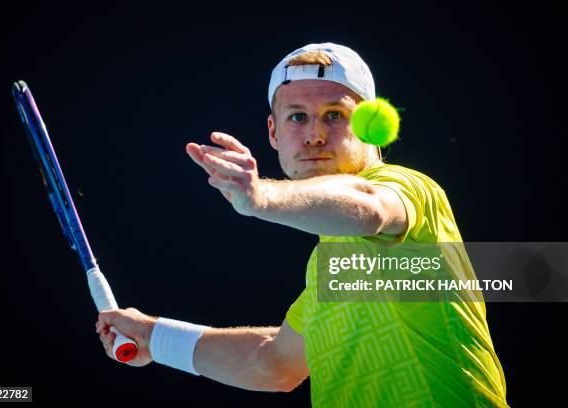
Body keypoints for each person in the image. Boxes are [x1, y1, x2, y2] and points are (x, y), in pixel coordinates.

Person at [96, 43, 509, 407]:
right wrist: (154, 337)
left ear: (371, 126)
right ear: (273, 132)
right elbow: (273, 363)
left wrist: (261, 196)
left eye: (334, 115)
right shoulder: (329, 270)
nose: (314, 135)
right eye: (297, 117)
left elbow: (371, 207)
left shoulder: (410, 189)